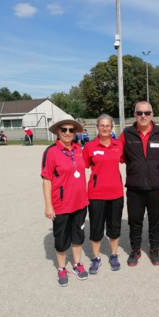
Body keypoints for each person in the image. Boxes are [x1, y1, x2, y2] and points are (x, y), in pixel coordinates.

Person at [41, 114, 89, 287]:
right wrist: (48, 205)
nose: (68, 133)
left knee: (78, 236)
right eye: (64, 130)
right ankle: (61, 268)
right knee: (61, 239)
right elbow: (46, 180)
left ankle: (77, 263)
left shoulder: (79, 149)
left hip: (80, 202)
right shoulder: (51, 152)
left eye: (71, 130)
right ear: (58, 132)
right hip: (61, 205)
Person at [119, 101, 159, 266]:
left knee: (156, 220)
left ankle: (154, 249)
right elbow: (117, 154)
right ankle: (135, 249)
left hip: (155, 186)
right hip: (135, 187)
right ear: (135, 115)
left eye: (146, 113)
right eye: (140, 113)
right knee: (135, 220)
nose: (143, 116)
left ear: (152, 114)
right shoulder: (127, 133)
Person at [83, 114, 124, 274]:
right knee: (96, 227)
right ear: (97, 127)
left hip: (116, 193)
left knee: (114, 227)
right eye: (102, 125)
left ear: (112, 127)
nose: (105, 128)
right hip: (96, 194)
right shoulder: (90, 147)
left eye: (108, 126)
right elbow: (82, 166)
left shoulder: (119, 145)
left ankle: (113, 255)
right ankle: (95, 258)